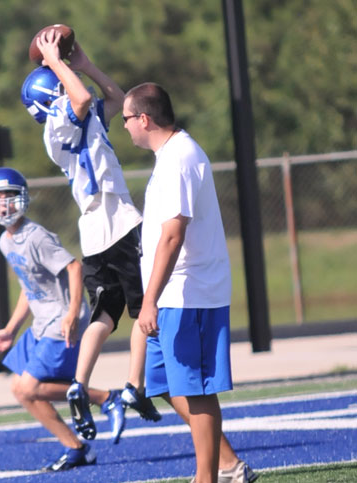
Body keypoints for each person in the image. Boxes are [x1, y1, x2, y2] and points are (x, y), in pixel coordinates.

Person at [20, 28, 161, 442]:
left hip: (95, 231)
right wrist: (55, 60)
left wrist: (85, 65)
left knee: (104, 314)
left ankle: (79, 384)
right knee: (145, 307)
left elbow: (118, 99)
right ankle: (134, 385)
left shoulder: (76, 119)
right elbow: (80, 98)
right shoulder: (60, 121)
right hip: (118, 220)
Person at [122, 82, 258, 483]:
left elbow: (173, 235)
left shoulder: (180, 158)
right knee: (162, 380)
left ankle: (207, 477)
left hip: (188, 293)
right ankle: (229, 464)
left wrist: (149, 300)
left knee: (196, 389)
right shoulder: (169, 156)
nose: (124, 126)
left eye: (126, 119)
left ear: (144, 119)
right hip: (171, 295)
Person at [0, 167, 125, 470]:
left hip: (61, 322)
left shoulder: (36, 237)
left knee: (29, 387)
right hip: (41, 323)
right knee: (20, 389)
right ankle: (75, 448)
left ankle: (104, 397)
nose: (3, 204)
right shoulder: (5, 242)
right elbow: (29, 287)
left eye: (8, 196)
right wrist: (11, 329)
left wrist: (72, 312)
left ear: (21, 198)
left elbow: (74, 268)